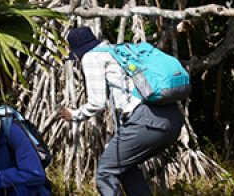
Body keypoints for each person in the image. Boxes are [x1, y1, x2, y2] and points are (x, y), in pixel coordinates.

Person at [58, 26, 182, 196]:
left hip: (145, 120)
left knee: (106, 171)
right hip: (172, 118)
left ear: (78, 51)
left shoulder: (91, 57)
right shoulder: (117, 51)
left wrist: (75, 115)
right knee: (126, 168)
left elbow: (97, 102)